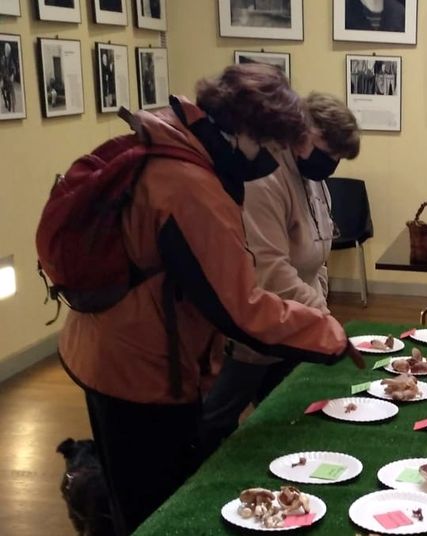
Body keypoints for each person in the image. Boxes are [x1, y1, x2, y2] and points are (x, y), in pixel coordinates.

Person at [57, 64, 364, 535]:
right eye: (267, 147)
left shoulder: (179, 142)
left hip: (116, 350)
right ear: (243, 130)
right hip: (139, 367)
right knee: (158, 509)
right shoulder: (190, 186)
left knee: (139, 490)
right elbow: (240, 305)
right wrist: (327, 334)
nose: (267, 161)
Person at [201, 92, 361, 452]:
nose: (330, 162)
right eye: (327, 150)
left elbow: (318, 255)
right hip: (256, 326)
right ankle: (191, 476)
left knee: (286, 407)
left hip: (296, 321)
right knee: (217, 414)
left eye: (338, 157)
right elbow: (271, 271)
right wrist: (321, 319)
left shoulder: (314, 178)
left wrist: (319, 310)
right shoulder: (265, 180)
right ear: (299, 134)